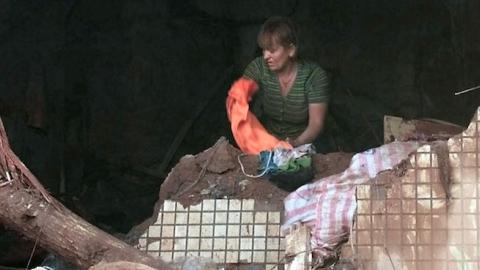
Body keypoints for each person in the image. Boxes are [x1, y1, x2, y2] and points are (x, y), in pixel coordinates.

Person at [242, 16, 330, 148]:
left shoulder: (314, 76)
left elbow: (316, 124)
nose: (266, 56)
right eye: (264, 50)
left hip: (304, 145)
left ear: (291, 50)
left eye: (272, 50)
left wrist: (295, 144)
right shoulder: (258, 67)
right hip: (266, 143)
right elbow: (240, 100)